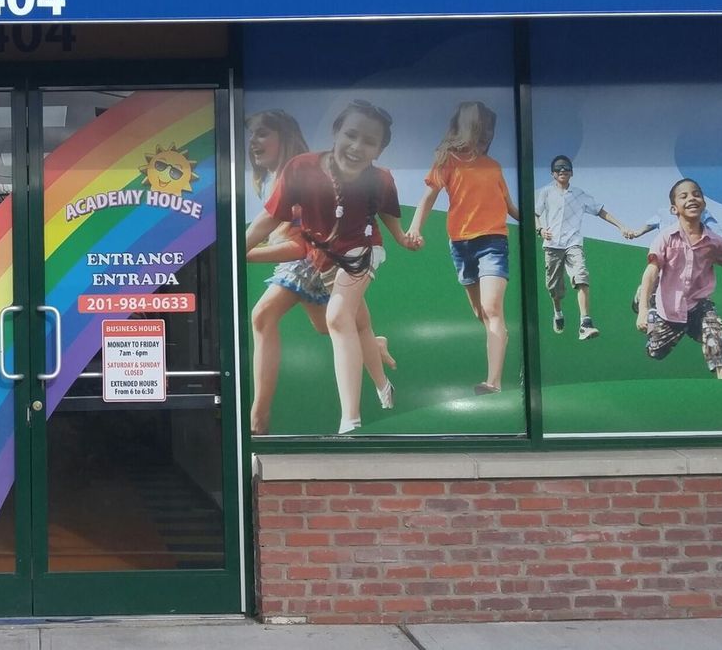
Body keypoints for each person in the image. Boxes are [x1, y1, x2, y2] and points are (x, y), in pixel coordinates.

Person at [246, 100, 420, 435]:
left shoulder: (377, 179)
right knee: (347, 326)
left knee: (336, 318)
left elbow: (386, 213)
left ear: (379, 149)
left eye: (369, 142)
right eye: (350, 135)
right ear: (336, 132)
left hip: (356, 252)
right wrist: (238, 249)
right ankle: (375, 354)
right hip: (321, 256)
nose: (357, 147)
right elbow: (269, 220)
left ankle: (348, 421)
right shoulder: (299, 170)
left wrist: (400, 238)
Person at [404, 101, 518, 395]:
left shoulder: (493, 167)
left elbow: (510, 208)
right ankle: (498, 336)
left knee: (493, 308)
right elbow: (428, 198)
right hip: (461, 245)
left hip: (493, 241)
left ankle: (493, 382)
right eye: (481, 130)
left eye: (489, 132)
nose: (485, 137)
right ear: (466, 130)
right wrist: (415, 227)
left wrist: (538, 222)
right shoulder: (449, 161)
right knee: (480, 312)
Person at [633, 178, 722, 380]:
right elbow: (651, 271)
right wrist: (642, 311)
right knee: (656, 351)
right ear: (674, 209)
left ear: (703, 203)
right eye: (683, 196)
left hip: (698, 306)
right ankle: (648, 304)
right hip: (668, 309)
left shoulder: (714, 241)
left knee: (719, 343)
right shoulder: (666, 238)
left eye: (696, 194)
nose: (691, 199)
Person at [534, 154, 633, 340]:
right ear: (553, 174)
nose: (562, 171)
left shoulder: (580, 195)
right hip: (552, 245)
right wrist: (540, 230)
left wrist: (621, 226)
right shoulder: (546, 193)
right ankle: (558, 312)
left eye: (566, 168)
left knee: (581, 276)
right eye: (558, 169)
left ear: (571, 173)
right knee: (554, 288)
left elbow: (600, 211)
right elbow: (536, 213)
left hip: (573, 243)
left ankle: (585, 323)